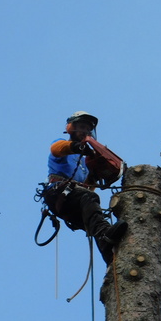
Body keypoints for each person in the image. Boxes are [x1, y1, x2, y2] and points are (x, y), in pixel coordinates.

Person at [42, 111, 128, 264]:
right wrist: (77, 147)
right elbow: (57, 149)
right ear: (71, 128)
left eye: (88, 129)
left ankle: (109, 254)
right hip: (58, 192)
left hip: (74, 202)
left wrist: (97, 174)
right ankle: (105, 237)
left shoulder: (85, 163)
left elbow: (88, 187)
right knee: (89, 198)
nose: (85, 131)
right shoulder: (64, 147)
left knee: (95, 211)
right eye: (81, 126)